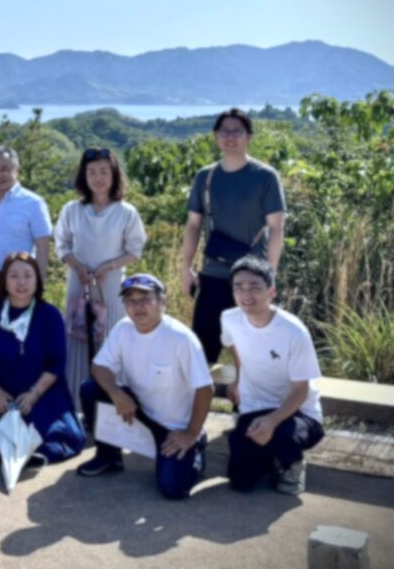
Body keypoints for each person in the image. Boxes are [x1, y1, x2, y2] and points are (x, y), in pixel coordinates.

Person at [77, 274, 214, 500]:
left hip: (174, 427)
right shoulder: (123, 329)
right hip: (139, 412)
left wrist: (190, 432)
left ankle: (197, 444)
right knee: (91, 389)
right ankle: (108, 456)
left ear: (163, 302)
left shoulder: (181, 338)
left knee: (173, 489)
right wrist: (117, 394)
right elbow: (99, 366)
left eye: (145, 299)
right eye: (130, 300)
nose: (137, 306)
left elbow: (205, 389)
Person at [181, 108, 286, 364]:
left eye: (237, 131)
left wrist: (270, 274)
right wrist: (186, 268)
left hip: (252, 278)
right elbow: (193, 225)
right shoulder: (205, 177)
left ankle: (248, 392)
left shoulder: (265, 176)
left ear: (248, 136)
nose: (230, 137)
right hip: (212, 276)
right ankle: (203, 393)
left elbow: (276, 228)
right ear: (215, 136)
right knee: (202, 353)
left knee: (254, 354)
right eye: (224, 131)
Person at [0, 252, 86, 466]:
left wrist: (34, 394)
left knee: (50, 437)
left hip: (42, 392)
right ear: (4, 281)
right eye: (14, 276)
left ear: (37, 280)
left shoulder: (50, 315)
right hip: (3, 393)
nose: (21, 282)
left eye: (27, 275)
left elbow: (56, 363)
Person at [222, 256, 325, 495]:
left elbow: (301, 390)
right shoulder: (230, 319)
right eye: (239, 287)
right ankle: (270, 457)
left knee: (281, 435)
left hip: (299, 413)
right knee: (240, 481)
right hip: (256, 406)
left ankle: (292, 463)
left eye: (254, 287)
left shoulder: (294, 331)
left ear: (272, 292)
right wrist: (238, 378)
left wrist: (272, 421)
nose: (246, 294)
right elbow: (234, 346)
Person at [54, 147, 147, 410]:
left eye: (104, 171)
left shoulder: (126, 212)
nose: (98, 178)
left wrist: (110, 265)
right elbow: (62, 244)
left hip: (111, 288)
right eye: (92, 172)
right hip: (79, 286)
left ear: (114, 174)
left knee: (111, 341)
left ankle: (110, 408)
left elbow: (135, 250)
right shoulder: (72, 210)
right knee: (78, 342)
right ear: (84, 176)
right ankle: (76, 407)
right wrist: (77, 265)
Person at [0, 146, 53, 308]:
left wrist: (38, 284)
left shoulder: (33, 203)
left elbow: (43, 247)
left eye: (5, 169)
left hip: (21, 283)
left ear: (16, 169)